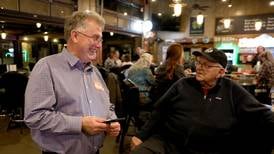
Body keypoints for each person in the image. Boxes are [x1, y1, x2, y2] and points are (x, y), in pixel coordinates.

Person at [130, 48, 274, 154]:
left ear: (221, 72)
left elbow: (263, 114)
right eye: (199, 63)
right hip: (168, 142)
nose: (199, 68)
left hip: (208, 148)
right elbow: (159, 111)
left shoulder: (232, 90)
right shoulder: (183, 84)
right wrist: (140, 135)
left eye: (207, 65)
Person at [24, 11, 120, 154]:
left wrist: (112, 120)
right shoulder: (47, 67)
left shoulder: (95, 72)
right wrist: (80, 124)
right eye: (95, 38)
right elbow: (35, 116)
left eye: (100, 40)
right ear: (75, 36)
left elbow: (108, 105)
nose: (99, 45)